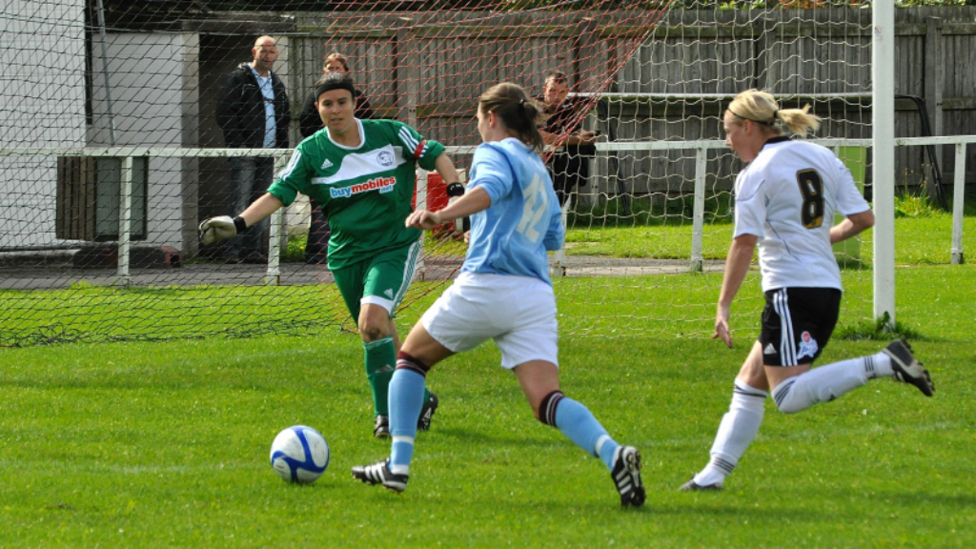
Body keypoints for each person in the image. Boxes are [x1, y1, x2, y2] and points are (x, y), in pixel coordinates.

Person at [351, 82, 646, 508]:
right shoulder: (538, 166)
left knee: (410, 359)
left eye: (476, 117)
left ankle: (397, 465)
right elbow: (551, 236)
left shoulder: (494, 151)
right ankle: (613, 453)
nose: (477, 125)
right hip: (535, 293)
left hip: (489, 282)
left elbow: (487, 190)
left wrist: (441, 213)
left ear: (491, 118)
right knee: (546, 399)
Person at [680, 89, 935, 492]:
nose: (726, 141)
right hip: (825, 288)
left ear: (748, 127)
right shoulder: (822, 156)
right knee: (749, 382)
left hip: (790, 292)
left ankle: (885, 363)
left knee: (788, 396)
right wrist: (813, 241)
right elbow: (864, 218)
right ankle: (713, 475)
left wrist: (723, 305)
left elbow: (743, 243)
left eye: (728, 131)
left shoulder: (756, 172)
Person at [200, 72, 464, 438]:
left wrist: (456, 193)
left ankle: (385, 417)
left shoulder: (388, 133)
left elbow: (434, 154)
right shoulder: (310, 151)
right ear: (318, 108)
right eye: (327, 103)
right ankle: (419, 399)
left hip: (394, 245)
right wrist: (239, 223)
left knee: (372, 323)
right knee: (378, 332)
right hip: (345, 254)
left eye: (342, 102)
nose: (335, 109)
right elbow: (280, 192)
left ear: (355, 103)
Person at [215, 35, 290, 264]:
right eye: (263, 51)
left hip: (269, 154)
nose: (267, 56)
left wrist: (281, 145)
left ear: (277, 54)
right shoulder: (239, 78)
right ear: (253, 52)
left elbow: (284, 116)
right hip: (245, 152)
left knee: (262, 202)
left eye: (271, 51)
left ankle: (252, 251)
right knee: (240, 201)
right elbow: (224, 112)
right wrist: (239, 143)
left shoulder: (277, 83)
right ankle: (231, 251)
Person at [299, 53, 378, 265]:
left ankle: (356, 249)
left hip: (354, 162)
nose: (333, 70)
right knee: (322, 203)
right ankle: (318, 252)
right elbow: (305, 125)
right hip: (324, 159)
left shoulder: (358, 97)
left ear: (346, 71)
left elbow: (370, 123)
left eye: (337, 67)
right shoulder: (315, 97)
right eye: (329, 67)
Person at [537, 71, 599, 208]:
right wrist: (576, 140)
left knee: (578, 151)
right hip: (527, 158)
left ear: (567, 92)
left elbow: (577, 130)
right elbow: (540, 136)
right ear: (544, 90)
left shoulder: (566, 107)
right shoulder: (534, 106)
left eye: (561, 92)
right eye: (552, 91)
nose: (556, 96)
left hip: (551, 156)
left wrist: (587, 136)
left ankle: (556, 207)